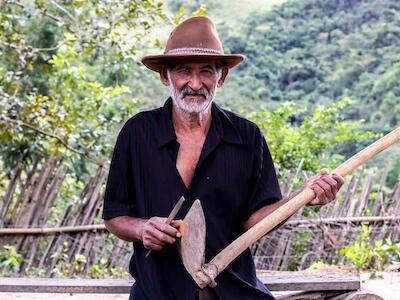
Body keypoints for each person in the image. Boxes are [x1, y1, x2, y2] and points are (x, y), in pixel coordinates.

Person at [102, 16, 344, 300]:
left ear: (222, 77)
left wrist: (304, 196)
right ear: (165, 76)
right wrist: (143, 228)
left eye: (206, 71)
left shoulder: (247, 137)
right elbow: (115, 216)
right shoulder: (138, 133)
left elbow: (256, 222)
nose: (195, 83)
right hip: (158, 290)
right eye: (183, 71)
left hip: (233, 288)